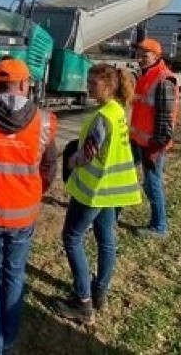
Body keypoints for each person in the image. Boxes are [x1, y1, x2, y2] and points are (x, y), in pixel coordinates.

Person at [0, 58, 58, 355]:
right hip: (23, 214)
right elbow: (49, 164)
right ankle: (9, 338)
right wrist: (37, 190)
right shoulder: (45, 120)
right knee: (15, 274)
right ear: (22, 83)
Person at [55, 64, 141, 324]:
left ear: (109, 86)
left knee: (72, 238)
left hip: (94, 191)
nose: (88, 87)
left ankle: (83, 304)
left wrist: (70, 162)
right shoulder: (118, 111)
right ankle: (100, 291)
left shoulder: (102, 117)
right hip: (113, 191)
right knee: (106, 239)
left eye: (93, 83)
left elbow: (88, 154)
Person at [130, 38, 179, 238]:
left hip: (151, 145)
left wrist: (156, 147)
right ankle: (111, 215)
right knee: (122, 176)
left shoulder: (163, 80)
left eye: (145, 55)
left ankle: (159, 226)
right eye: (138, 54)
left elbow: (166, 120)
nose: (140, 58)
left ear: (156, 56)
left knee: (152, 184)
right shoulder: (146, 76)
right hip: (137, 140)